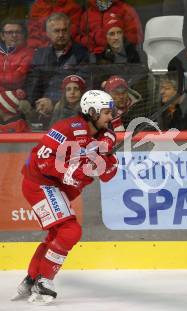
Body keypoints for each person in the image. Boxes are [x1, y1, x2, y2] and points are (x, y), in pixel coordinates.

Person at [13, 90, 118, 304]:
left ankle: (32, 279)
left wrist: (103, 164)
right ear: (92, 112)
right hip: (39, 184)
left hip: (55, 188)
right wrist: (70, 173)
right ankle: (44, 280)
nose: (111, 117)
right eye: (107, 112)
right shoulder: (67, 128)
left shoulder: (106, 135)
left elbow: (109, 173)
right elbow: (42, 159)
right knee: (71, 230)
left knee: (57, 234)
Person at [25, 13, 89, 121]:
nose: (61, 34)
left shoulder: (81, 53)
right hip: (42, 103)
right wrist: (37, 102)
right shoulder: (40, 54)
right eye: (56, 31)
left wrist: (53, 102)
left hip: (67, 104)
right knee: (22, 105)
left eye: (64, 30)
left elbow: (80, 85)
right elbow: (33, 83)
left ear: (69, 31)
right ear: (48, 34)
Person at [0, 20, 34, 92]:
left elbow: (16, 79)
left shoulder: (29, 53)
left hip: (17, 95)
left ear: (23, 35)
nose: (14, 35)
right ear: (2, 36)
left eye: (18, 32)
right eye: (9, 32)